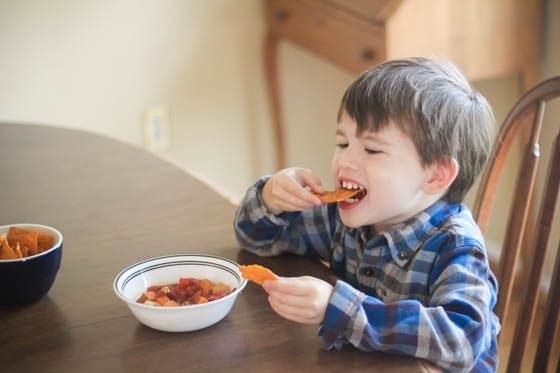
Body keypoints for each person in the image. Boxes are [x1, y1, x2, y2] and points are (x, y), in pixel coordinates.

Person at [233, 57, 500, 372]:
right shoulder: (344, 218)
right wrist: (272, 199)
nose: (345, 161)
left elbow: (462, 339)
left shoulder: (456, 246)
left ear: (435, 175)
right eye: (343, 142)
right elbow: (257, 241)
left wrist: (340, 309)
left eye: (372, 150)